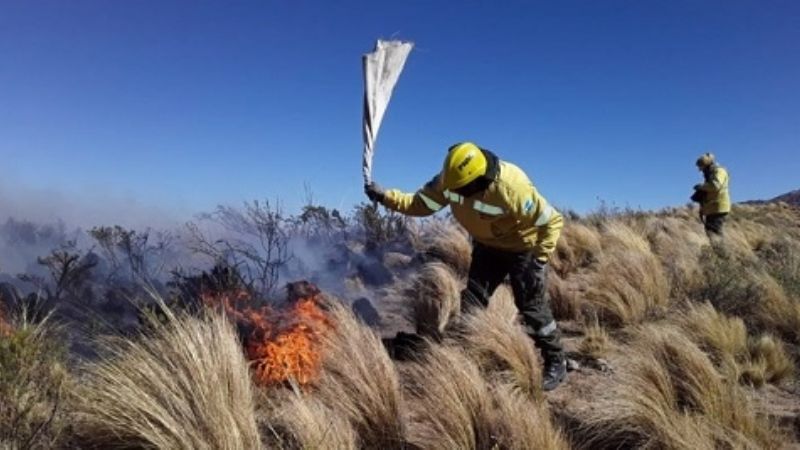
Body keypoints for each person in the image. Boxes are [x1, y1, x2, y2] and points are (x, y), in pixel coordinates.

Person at [365, 142, 567, 391]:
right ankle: (469, 353)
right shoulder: (450, 181)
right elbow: (421, 204)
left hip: (523, 248)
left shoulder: (512, 187)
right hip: (487, 248)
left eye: (462, 189)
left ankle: (556, 360)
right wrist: (386, 197)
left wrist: (539, 260)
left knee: (531, 305)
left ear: (479, 180)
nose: (455, 193)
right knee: (473, 300)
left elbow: (552, 221)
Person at [692, 152, 730, 236]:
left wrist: (701, 187)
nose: (701, 170)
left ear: (707, 165)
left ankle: (720, 245)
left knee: (715, 233)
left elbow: (716, 185)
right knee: (711, 232)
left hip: (718, 207)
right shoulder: (711, 173)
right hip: (712, 208)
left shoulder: (719, 171)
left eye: (701, 167)